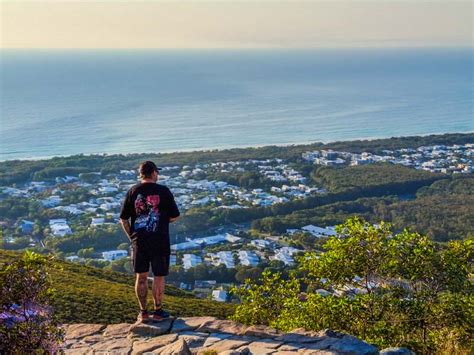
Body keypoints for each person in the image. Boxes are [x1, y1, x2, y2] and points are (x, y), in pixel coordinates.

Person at [119, 160, 180, 321]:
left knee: (141, 276)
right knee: (159, 276)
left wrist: (132, 237)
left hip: (139, 241)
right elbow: (175, 216)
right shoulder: (163, 191)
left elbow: (123, 219)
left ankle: (143, 312)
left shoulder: (133, 191)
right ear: (153, 173)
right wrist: (163, 220)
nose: (158, 175)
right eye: (157, 172)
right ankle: (158, 311)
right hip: (160, 240)